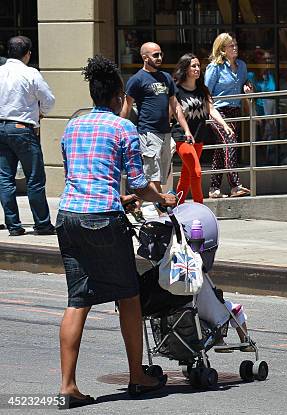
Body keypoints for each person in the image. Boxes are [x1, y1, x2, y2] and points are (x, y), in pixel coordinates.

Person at [57, 55, 177, 409]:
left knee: (78, 299)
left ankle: (67, 386)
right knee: (128, 295)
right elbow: (141, 186)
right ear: (117, 98)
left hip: (69, 215)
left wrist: (117, 196)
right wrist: (164, 197)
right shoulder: (123, 128)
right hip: (103, 219)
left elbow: (80, 177)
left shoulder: (72, 126)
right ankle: (137, 375)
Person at [0, 36, 55, 237]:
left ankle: (13, 226)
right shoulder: (30, 73)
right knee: (35, 178)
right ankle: (42, 224)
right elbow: (48, 100)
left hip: (1, 127)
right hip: (22, 128)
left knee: (5, 178)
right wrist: (40, 113)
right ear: (28, 54)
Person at [120, 42, 192, 195]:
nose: (159, 58)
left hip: (166, 132)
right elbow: (127, 106)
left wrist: (186, 129)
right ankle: (163, 213)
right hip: (148, 133)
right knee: (154, 177)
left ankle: (135, 203)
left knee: (160, 176)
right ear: (145, 57)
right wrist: (117, 128)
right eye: (155, 55)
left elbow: (176, 105)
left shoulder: (166, 77)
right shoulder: (137, 79)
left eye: (161, 54)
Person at [172, 53, 235, 204]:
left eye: (198, 66)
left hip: (199, 136)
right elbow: (172, 113)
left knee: (187, 174)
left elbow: (212, 110)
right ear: (185, 69)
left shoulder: (202, 89)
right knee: (196, 172)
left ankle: (177, 207)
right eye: (193, 66)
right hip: (183, 136)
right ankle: (200, 206)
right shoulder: (176, 90)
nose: (197, 68)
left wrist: (224, 124)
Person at [204, 32, 252, 198]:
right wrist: (211, 112)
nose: (235, 48)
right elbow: (206, 93)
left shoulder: (242, 66)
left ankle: (214, 188)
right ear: (222, 49)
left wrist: (247, 87)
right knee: (230, 143)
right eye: (232, 45)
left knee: (221, 149)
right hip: (218, 111)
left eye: (236, 45)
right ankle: (235, 185)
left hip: (235, 111)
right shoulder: (215, 67)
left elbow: (244, 82)